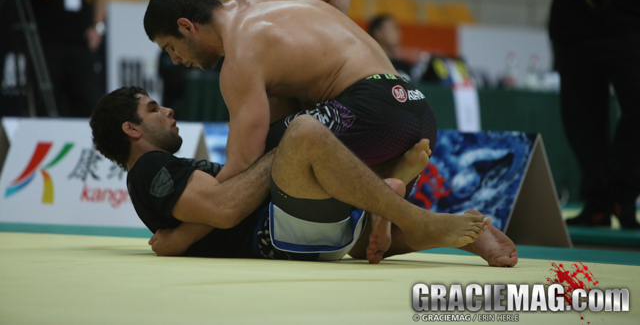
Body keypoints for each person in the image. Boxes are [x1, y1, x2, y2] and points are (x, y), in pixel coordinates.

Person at [89, 86, 518, 266]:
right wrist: (282, 148)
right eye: (152, 110)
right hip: (276, 233)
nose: (168, 111)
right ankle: (406, 207)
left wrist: (183, 236)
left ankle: (435, 225)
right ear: (131, 130)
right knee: (305, 131)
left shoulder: (165, 172)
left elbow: (216, 207)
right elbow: (224, 208)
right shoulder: (147, 169)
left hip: (298, 229)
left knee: (364, 230)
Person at [142, 0, 438, 201]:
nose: (176, 61)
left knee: (271, 154)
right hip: (417, 108)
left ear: (186, 26)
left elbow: (244, 162)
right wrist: (325, 46)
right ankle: (386, 187)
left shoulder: (240, 57)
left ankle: (382, 180)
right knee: (358, 242)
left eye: (171, 48)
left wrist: (196, 202)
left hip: (377, 114)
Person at [527, 0, 640, 229]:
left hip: (628, 31)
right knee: (582, 121)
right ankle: (598, 203)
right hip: (573, 34)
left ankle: (624, 195)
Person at [368, 14, 415, 81]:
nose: (398, 33)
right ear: (378, 33)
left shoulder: (404, 67)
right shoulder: (368, 65)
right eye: (394, 28)